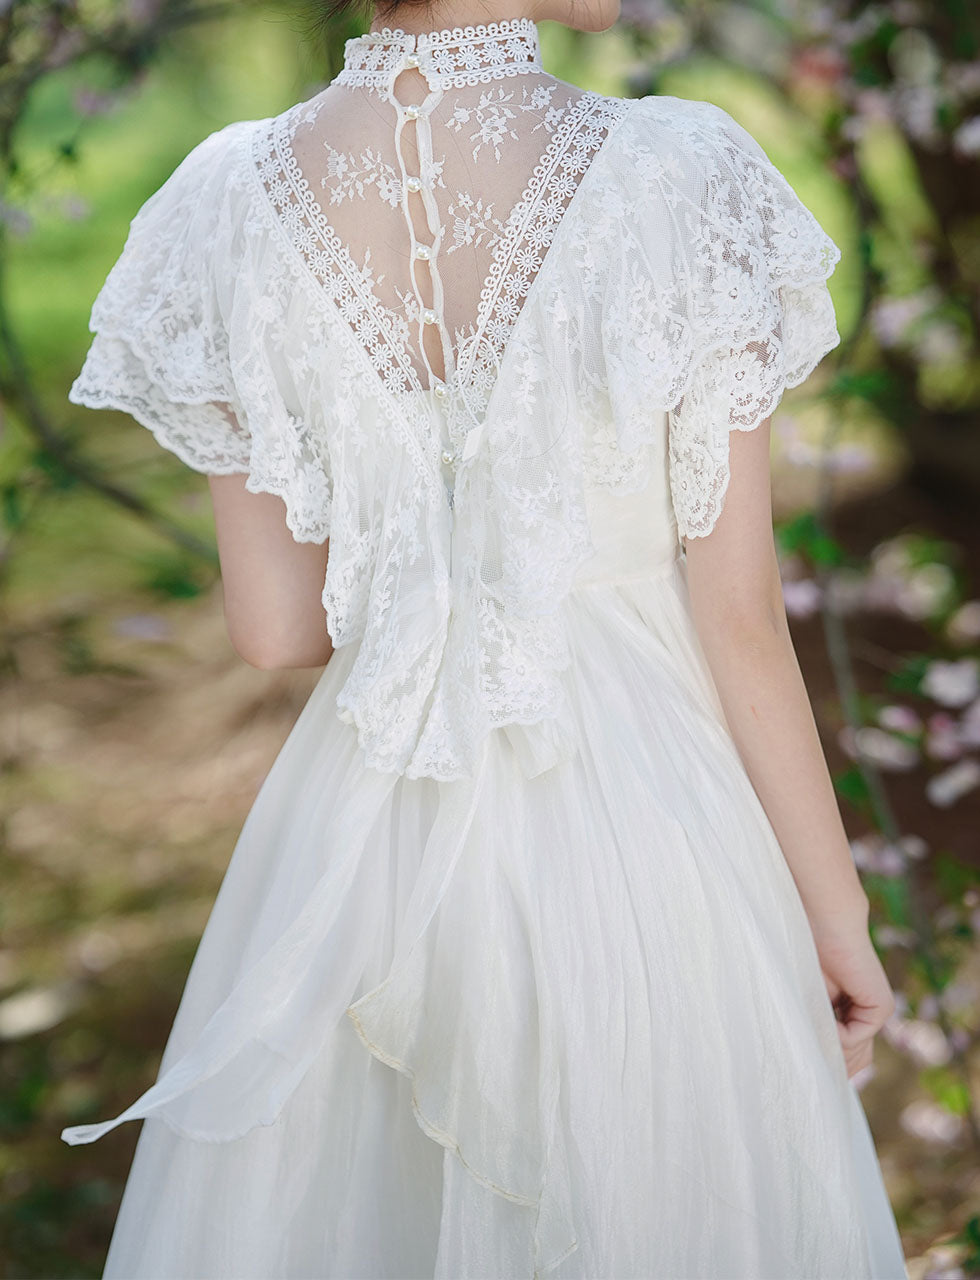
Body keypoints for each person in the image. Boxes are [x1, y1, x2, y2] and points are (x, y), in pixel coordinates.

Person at [60, 0, 910, 1275]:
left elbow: (276, 627)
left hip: (365, 825)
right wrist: (833, 916)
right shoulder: (679, 172)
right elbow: (736, 616)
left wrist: (423, 551)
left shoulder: (224, 197)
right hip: (646, 818)